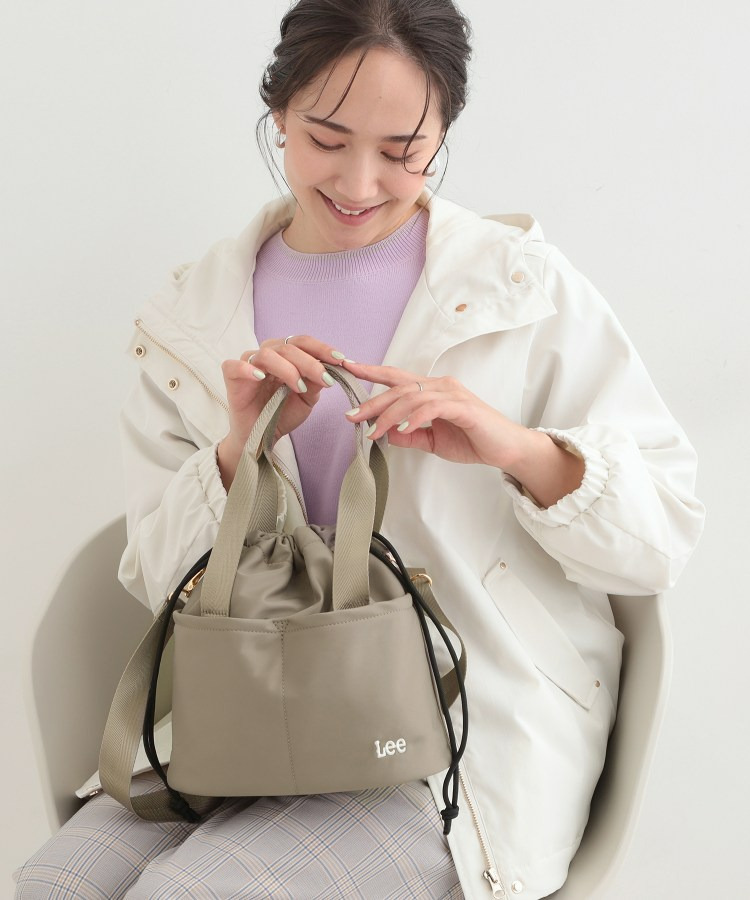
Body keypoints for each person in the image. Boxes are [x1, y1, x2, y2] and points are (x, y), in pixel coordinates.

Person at [15, 0, 705, 897]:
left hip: (454, 741)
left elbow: (662, 540)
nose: (360, 181)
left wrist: (517, 449)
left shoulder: (523, 289)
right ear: (278, 114)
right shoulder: (191, 318)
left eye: (403, 151)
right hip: (246, 712)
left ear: (443, 133)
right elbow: (159, 580)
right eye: (326, 139)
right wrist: (236, 455)